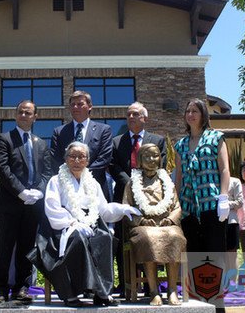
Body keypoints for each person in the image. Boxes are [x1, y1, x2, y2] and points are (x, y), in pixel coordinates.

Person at [28, 142, 141, 307]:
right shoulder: (56, 180)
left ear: (87, 160)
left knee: (105, 237)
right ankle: (71, 294)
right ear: (66, 159)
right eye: (72, 156)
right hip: (62, 227)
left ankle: (101, 293)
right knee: (78, 238)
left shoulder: (92, 183)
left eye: (81, 157)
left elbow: (103, 210)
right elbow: (52, 209)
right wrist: (72, 222)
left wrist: (122, 209)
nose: (76, 160)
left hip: (90, 223)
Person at [0, 100, 48, 303]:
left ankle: (21, 288)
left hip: (33, 206)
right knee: (5, 247)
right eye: (21, 112)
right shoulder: (4, 139)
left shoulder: (41, 143)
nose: (24, 115)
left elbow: (47, 172)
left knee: (26, 248)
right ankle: (0, 288)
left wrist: (39, 192)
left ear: (35, 117)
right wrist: (21, 192)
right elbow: (2, 169)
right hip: (10, 204)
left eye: (28, 113)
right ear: (16, 115)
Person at [109, 101, 166, 295]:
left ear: (145, 118)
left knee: (151, 238)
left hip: (151, 198)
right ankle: (126, 282)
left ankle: (152, 284)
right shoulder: (117, 142)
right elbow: (113, 166)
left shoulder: (157, 140)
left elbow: (161, 166)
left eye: (135, 114)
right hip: (124, 197)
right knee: (123, 238)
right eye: (128, 115)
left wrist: (142, 184)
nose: (131, 117)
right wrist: (131, 182)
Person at [123, 144, 186, 306]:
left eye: (155, 156)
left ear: (160, 158)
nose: (152, 160)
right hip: (143, 225)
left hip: (166, 224)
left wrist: (171, 219)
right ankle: (153, 291)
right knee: (148, 238)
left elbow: (177, 206)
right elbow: (127, 209)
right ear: (140, 160)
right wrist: (142, 220)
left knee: (175, 236)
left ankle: (172, 289)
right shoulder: (132, 183)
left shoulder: (166, 182)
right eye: (147, 156)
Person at [174, 98, 230, 253]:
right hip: (188, 207)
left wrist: (224, 198)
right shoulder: (180, 145)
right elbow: (178, 177)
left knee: (214, 252)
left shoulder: (216, 138)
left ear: (203, 115)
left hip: (212, 204)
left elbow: (225, 169)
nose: (190, 114)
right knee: (194, 253)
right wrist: (176, 205)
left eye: (195, 111)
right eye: (188, 111)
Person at [49, 90, 113, 200]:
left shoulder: (103, 130)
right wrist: (72, 177)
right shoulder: (59, 132)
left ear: (90, 106)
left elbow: (104, 159)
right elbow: (56, 159)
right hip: (67, 190)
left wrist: (81, 175)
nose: (75, 107)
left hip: (95, 187)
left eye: (80, 104)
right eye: (73, 104)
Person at [225, 176, 243, 280]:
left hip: (231, 221)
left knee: (232, 253)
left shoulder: (235, 181)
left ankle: (233, 281)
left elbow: (240, 202)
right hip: (216, 222)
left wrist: (225, 204)